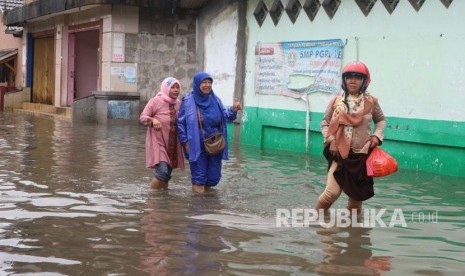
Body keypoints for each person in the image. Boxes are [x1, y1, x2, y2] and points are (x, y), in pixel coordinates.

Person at [315, 61, 386, 214]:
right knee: (331, 194)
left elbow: (380, 121)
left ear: (364, 81)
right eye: (349, 77)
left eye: (357, 77)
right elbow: (324, 123)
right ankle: (317, 224)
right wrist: (331, 140)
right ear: (344, 80)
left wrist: (376, 136)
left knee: (355, 201)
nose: (352, 81)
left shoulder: (371, 102)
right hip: (339, 154)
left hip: (361, 156)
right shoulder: (336, 102)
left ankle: (354, 235)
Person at [177, 71, 242, 193]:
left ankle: (207, 206)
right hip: (196, 143)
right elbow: (180, 123)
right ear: (197, 84)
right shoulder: (188, 101)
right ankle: (198, 208)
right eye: (204, 82)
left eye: (209, 82)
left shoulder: (215, 100)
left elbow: (226, 116)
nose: (207, 85)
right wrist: (185, 141)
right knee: (199, 177)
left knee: (213, 178)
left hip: (215, 142)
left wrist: (233, 110)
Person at [140, 77, 184, 189]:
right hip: (158, 143)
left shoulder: (178, 103)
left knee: (167, 174)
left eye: (177, 87)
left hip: (173, 144)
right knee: (162, 173)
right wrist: (153, 120)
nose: (175, 90)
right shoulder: (155, 101)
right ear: (165, 88)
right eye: (172, 87)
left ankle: (163, 200)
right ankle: (152, 197)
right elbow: (143, 118)